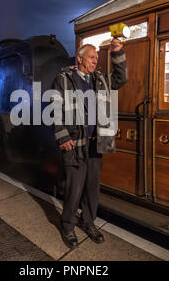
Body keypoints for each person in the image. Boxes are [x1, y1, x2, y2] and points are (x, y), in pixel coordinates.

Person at [52, 38, 128, 248]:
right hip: (75, 144)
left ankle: (88, 223)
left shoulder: (100, 79)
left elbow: (121, 78)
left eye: (96, 58)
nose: (95, 61)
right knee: (74, 189)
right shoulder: (64, 79)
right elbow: (54, 109)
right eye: (91, 57)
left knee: (92, 188)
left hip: (96, 144)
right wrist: (62, 136)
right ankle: (67, 226)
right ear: (79, 58)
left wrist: (117, 53)